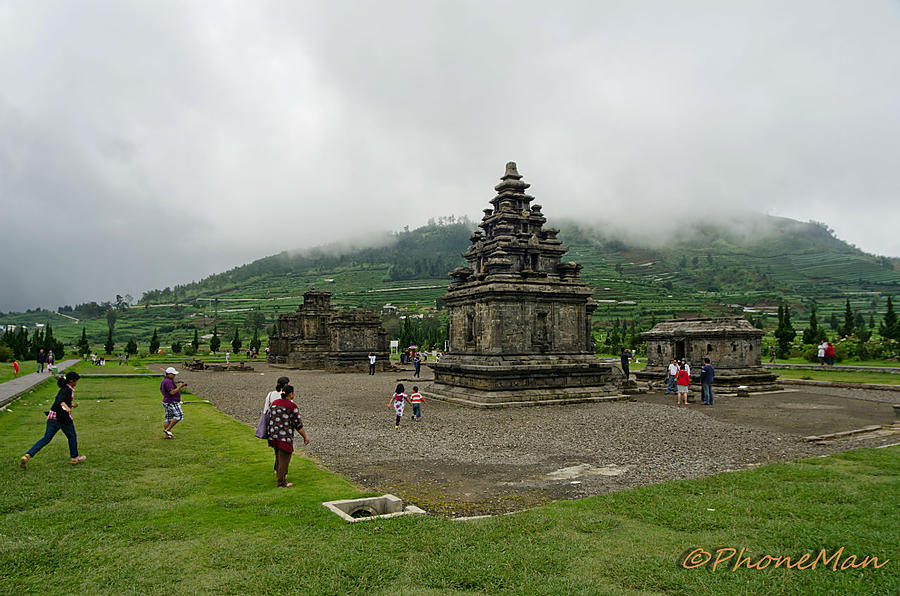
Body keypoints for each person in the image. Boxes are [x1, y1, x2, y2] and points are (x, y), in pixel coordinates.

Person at [20, 372, 86, 467]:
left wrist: (71, 405)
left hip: (52, 417)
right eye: (76, 380)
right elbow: (60, 400)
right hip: (62, 418)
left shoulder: (65, 389)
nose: (77, 383)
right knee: (72, 436)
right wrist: (65, 406)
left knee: (46, 438)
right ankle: (74, 458)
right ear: (72, 381)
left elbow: (61, 401)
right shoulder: (67, 390)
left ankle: (27, 456)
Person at [266, 384, 309, 488]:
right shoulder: (291, 406)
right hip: (284, 436)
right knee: (285, 459)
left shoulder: (274, 403)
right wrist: (305, 437)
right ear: (290, 394)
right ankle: (281, 483)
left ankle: (281, 478)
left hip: (273, 434)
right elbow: (298, 423)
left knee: (278, 457)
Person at [160, 367, 186, 439]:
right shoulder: (168, 382)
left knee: (168, 418)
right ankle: (167, 430)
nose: (174, 376)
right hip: (172, 401)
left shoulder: (164, 380)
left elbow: (162, 390)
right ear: (169, 374)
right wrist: (180, 387)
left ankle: (167, 435)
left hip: (166, 401)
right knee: (179, 415)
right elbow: (172, 392)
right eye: (173, 374)